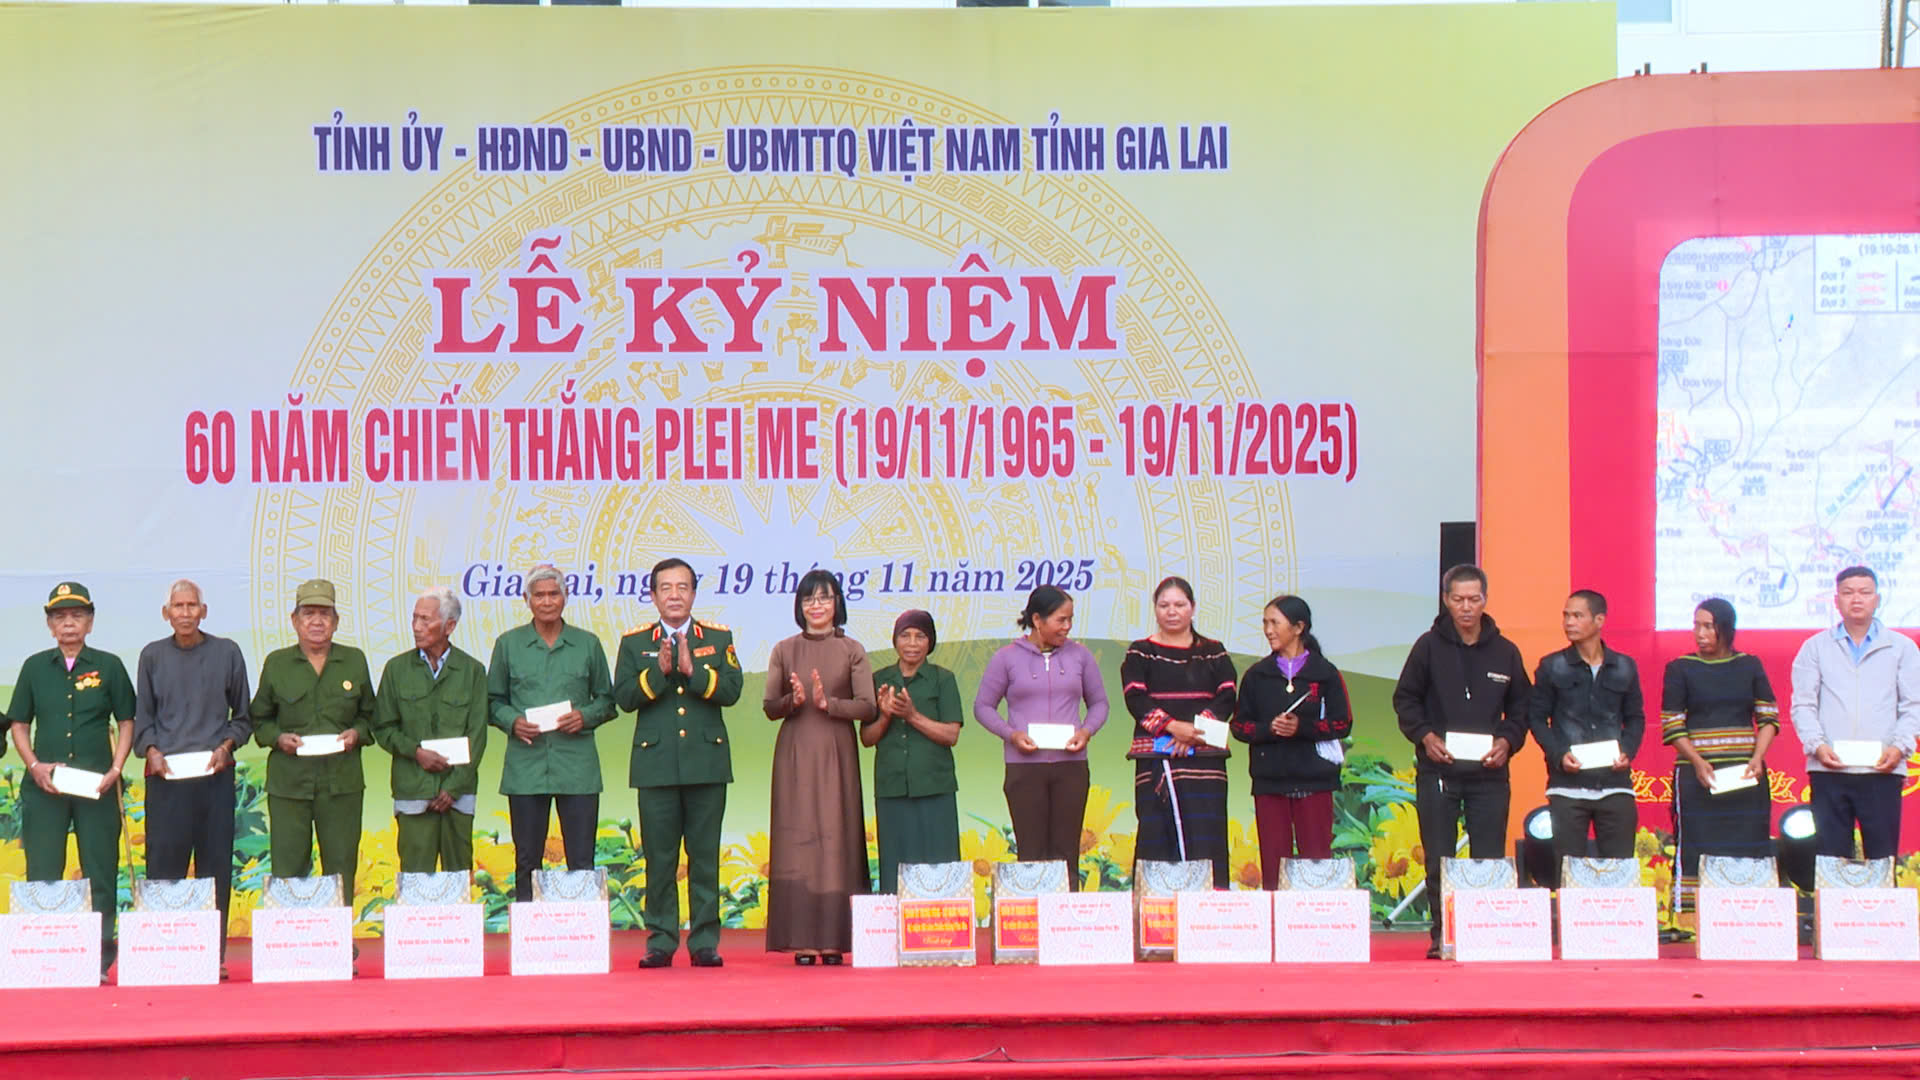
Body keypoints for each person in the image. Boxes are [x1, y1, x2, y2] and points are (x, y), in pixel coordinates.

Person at [1392, 564, 1530, 958]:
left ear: (1485, 600)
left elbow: (1523, 707)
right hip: (1439, 770)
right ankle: (1443, 936)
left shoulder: (1506, 651)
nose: (1466, 607)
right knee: (1440, 858)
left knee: (1487, 857)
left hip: (1489, 773)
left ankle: (1484, 933)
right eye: (1458, 599)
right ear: (1445, 600)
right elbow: (1405, 699)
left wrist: (1507, 741)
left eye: (1473, 599)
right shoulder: (1427, 647)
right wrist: (1425, 736)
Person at [614, 558, 743, 969]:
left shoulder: (718, 638)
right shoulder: (635, 643)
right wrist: (659, 673)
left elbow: (733, 690)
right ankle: (661, 941)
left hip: (706, 764)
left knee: (704, 857)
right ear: (653, 596)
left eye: (682, 587)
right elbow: (624, 697)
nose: (674, 595)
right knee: (660, 859)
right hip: (655, 766)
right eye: (666, 588)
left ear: (693, 594)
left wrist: (694, 672)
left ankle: (704, 942)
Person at [8, 582, 135, 969]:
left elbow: (126, 721)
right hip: (45, 787)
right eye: (60, 617)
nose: (68, 624)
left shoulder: (109, 665)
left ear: (90, 622)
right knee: (44, 870)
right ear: (49, 625)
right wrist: (34, 765)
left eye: (77, 616)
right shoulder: (34, 667)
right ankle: (45, 954)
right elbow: (18, 724)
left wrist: (116, 769)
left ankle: (99, 956)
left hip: (97, 785)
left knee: (100, 869)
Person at [762, 569, 874, 964]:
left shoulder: (852, 649)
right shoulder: (784, 649)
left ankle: (834, 940)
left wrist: (831, 704)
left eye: (825, 598)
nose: (817, 606)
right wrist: (792, 701)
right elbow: (769, 707)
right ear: (799, 606)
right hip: (795, 752)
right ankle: (801, 940)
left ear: (837, 603)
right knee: (798, 840)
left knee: (837, 837)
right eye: (809, 599)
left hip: (836, 750)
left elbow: (868, 707)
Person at [135, 579, 252, 950]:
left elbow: (243, 718)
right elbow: (143, 720)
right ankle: (162, 949)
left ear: (204, 611)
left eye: (191, 606)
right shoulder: (152, 656)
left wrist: (226, 746)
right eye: (178, 606)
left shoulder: (227, 652)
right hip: (166, 780)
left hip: (214, 777)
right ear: (165, 613)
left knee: (214, 868)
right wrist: (151, 750)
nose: (185, 613)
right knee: (163, 867)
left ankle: (211, 953)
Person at [488, 565, 616, 903]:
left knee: (582, 861)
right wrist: (512, 721)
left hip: (577, 767)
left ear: (566, 597)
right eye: (539, 595)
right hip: (526, 768)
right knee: (526, 860)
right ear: (526, 599)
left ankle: (581, 929)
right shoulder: (508, 645)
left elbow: (607, 700)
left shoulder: (587, 644)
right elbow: (492, 701)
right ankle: (529, 930)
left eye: (553, 594)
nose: (547, 602)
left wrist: (584, 716)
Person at [250, 579, 375, 907]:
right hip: (290, 785)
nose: (317, 621)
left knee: (341, 867)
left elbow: (371, 717)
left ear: (336, 621)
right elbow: (259, 720)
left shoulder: (354, 660)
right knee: (288, 870)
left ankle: (339, 934)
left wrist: (356, 734)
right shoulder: (277, 663)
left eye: (324, 614)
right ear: (295, 620)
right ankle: (290, 935)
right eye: (308, 614)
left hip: (342, 784)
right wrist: (278, 738)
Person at [973, 586, 1108, 889]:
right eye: (1061, 620)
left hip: (1071, 767)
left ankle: (1065, 914)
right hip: (1024, 768)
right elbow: (983, 707)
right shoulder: (1006, 658)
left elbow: (1100, 703)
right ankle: (1032, 912)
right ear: (1037, 619)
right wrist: (1012, 734)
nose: (1067, 626)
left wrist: (1086, 731)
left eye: (1070, 619)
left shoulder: (1080, 656)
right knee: (1031, 850)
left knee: (1066, 851)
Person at [1789, 566, 1920, 860]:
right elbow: (1803, 705)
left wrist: (1899, 747)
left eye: (1865, 592)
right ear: (1836, 601)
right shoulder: (1815, 648)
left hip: (1882, 768)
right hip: (1829, 769)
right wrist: (1817, 745)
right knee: (1831, 860)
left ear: (1878, 599)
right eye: (1848, 593)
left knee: (1881, 858)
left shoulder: (1902, 648)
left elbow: (1914, 705)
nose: (1856, 599)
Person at [1662, 597, 1777, 916]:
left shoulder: (1749, 665)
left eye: (1708, 626)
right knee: (1697, 844)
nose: (1699, 633)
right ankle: (1691, 917)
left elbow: (1768, 718)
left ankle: (1747, 913)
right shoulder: (1681, 668)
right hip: (1698, 775)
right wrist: (1698, 761)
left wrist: (1757, 757)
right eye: (1696, 625)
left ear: (1726, 628)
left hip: (1745, 774)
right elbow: (1673, 724)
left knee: (1748, 841)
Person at [1121, 576, 1238, 889]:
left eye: (1179, 604)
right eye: (1164, 605)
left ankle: (1209, 909)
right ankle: (1156, 910)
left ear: (1193, 608)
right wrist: (1173, 728)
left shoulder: (1213, 651)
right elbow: (1135, 696)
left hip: (1205, 761)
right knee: (1157, 835)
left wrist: (1194, 732)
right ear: (1155, 609)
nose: (1171, 611)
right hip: (1157, 758)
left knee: (1207, 835)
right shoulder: (1141, 652)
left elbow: (1227, 694)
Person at [1232, 594, 1351, 887]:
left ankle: (1315, 916)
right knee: (1273, 864)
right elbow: (1239, 726)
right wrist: (1268, 729)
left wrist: (1302, 727)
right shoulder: (1257, 675)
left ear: (1298, 627)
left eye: (1275, 623)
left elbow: (1342, 723)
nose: (1268, 630)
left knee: (1316, 863)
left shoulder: (1324, 674)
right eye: (1265, 623)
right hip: (1270, 781)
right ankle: (1274, 915)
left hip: (1315, 781)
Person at [372, 587, 489, 874]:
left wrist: (453, 788)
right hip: (413, 790)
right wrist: (416, 752)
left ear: (449, 626)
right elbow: (383, 727)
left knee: (458, 878)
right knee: (415, 880)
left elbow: (477, 736)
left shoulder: (472, 670)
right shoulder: (396, 669)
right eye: (414, 618)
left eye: (425, 620)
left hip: (458, 794)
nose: (416, 627)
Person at [1526, 589, 1645, 862]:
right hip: (1567, 786)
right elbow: (1536, 718)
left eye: (1577, 616)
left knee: (1618, 869)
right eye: (1566, 615)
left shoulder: (1624, 666)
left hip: (1615, 784)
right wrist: (1558, 755)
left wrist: (1627, 751)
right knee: (1569, 870)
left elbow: (1635, 718)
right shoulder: (1552, 666)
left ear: (1599, 620)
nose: (1569, 622)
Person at [864, 609, 963, 895]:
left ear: (930, 642)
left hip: (935, 786)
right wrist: (885, 715)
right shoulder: (879, 680)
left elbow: (951, 735)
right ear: (895, 640)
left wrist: (912, 715)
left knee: (941, 866)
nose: (912, 643)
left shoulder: (943, 679)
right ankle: (894, 921)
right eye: (905, 636)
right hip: (892, 787)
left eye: (920, 636)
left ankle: (941, 921)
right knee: (894, 868)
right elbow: (867, 738)